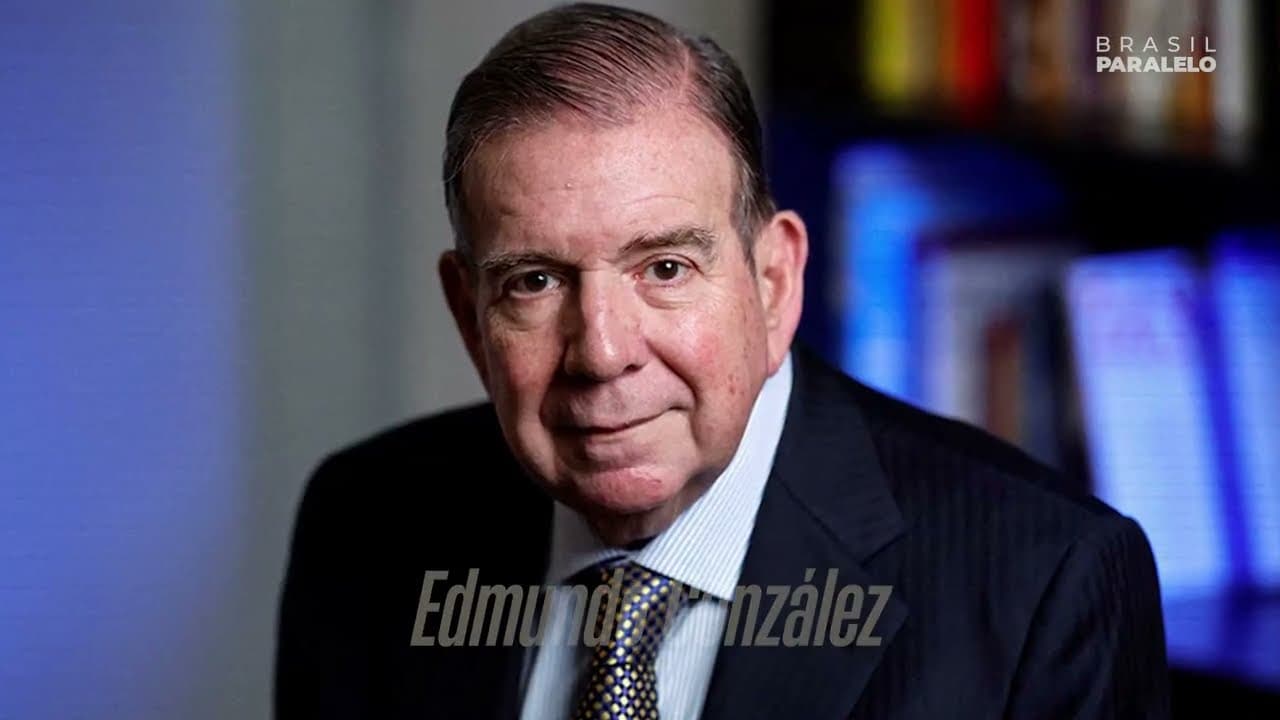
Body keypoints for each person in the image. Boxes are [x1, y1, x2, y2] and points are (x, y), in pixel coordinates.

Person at [273, 3, 1170, 718]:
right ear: (470, 317)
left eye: (664, 268)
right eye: (535, 282)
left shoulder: (1046, 587)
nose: (605, 354)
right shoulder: (363, 523)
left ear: (774, 282)